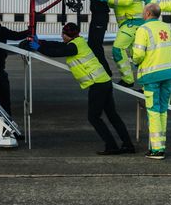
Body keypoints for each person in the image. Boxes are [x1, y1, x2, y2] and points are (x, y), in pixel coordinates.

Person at [23, 23, 134, 155]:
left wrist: (38, 47)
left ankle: (112, 146)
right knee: (112, 116)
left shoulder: (73, 47)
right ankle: (128, 145)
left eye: (62, 34)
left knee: (94, 118)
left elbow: (56, 52)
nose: (61, 37)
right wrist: (40, 41)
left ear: (66, 35)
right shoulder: (78, 41)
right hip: (104, 82)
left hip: (98, 85)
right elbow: (57, 45)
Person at [132, 3, 171, 160]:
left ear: (148, 13)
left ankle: (157, 150)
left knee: (153, 111)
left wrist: (134, 61)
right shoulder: (166, 27)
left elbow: (137, 54)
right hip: (168, 73)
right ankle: (161, 145)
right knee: (163, 110)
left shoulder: (143, 29)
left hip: (151, 75)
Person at [93, 0, 144, 87]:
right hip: (129, 23)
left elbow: (126, 1)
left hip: (132, 22)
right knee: (137, 56)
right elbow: (117, 2)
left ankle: (128, 80)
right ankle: (145, 84)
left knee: (117, 49)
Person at [72, 0, 113, 76]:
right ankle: (100, 69)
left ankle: (106, 71)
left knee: (96, 45)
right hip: (96, 14)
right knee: (91, 44)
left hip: (101, 16)